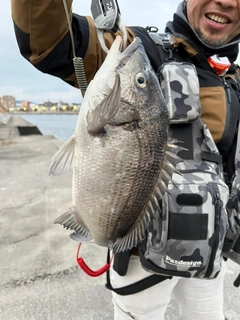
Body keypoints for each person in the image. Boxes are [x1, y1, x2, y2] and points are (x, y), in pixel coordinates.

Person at [11, 0, 240, 319]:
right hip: (141, 252)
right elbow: (49, 40)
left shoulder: (233, 80)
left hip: (211, 250)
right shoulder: (140, 51)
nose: (228, 2)